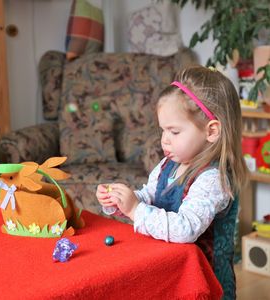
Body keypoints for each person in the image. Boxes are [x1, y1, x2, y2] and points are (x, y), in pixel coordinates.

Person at [96, 65, 248, 299]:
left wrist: (136, 210)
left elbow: (185, 229)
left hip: (204, 283)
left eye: (174, 132)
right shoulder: (169, 164)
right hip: (172, 273)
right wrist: (122, 200)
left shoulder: (213, 180)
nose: (164, 140)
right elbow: (151, 195)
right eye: (163, 131)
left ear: (212, 131)